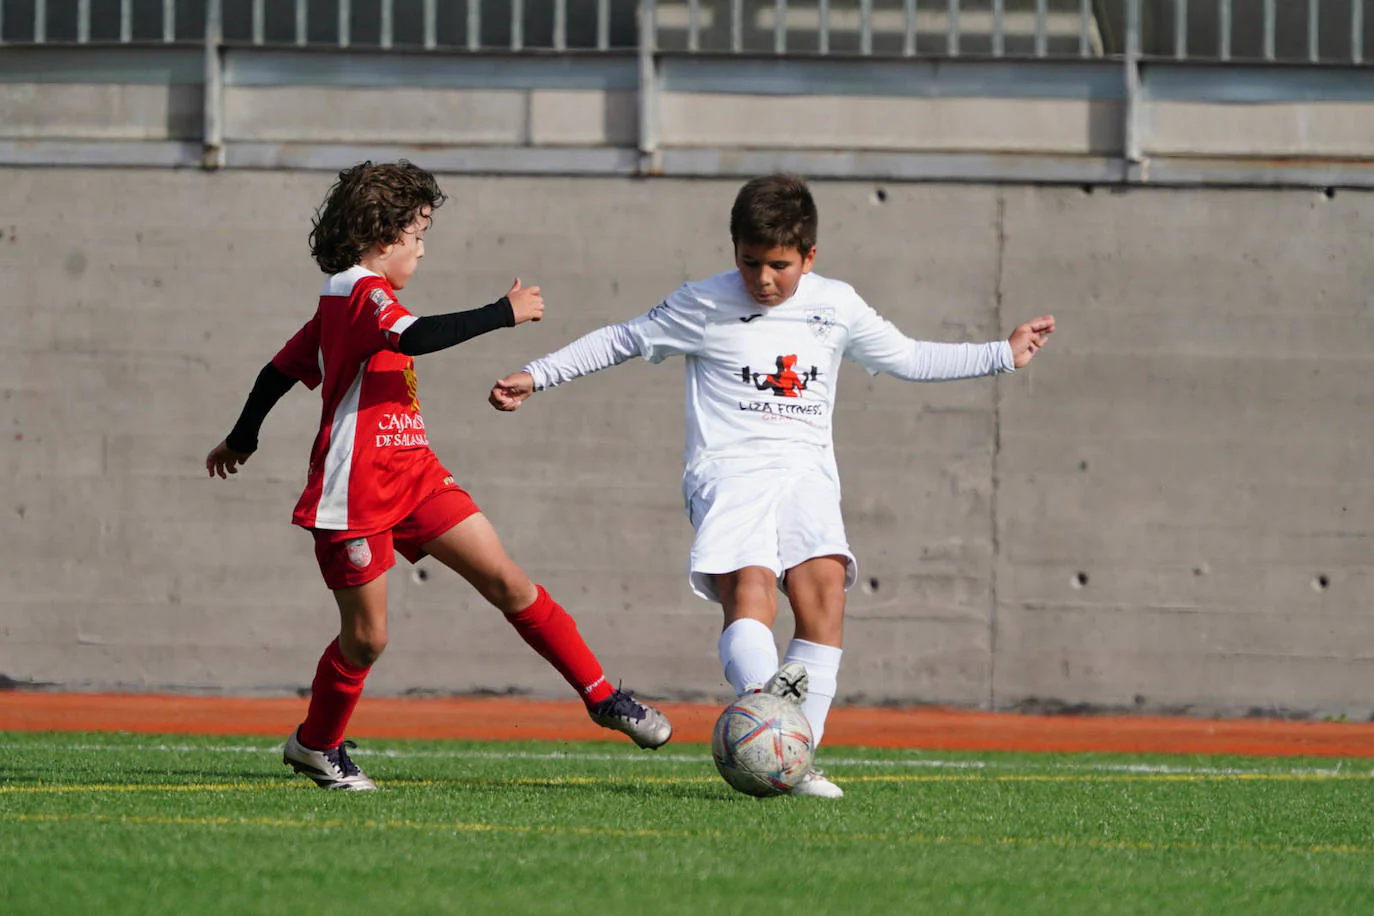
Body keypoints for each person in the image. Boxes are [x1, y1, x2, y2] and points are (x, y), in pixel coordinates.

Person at [489, 173, 1054, 799]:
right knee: (752, 590)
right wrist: (535, 375)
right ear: (734, 250)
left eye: (779, 266)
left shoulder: (835, 305)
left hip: (807, 472)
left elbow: (909, 357)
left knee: (825, 594)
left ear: (809, 256)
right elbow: (621, 340)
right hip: (729, 472)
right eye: (750, 262)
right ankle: (768, 735)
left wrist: (1003, 354)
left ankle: (792, 758)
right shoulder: (701, 303)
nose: (763, 279)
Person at [205, 160, 672, 791]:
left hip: (416, 476)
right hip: (357, 493)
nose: (422, 249)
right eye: (418, 234)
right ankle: (316, 745)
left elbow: (279, 370)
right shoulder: (359, 292)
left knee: (509, 579)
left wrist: (243, 437)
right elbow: (417, 337)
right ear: (382, 234)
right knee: (367, 641)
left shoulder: (356, 301)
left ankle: (601, 696)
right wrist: (503, 312)